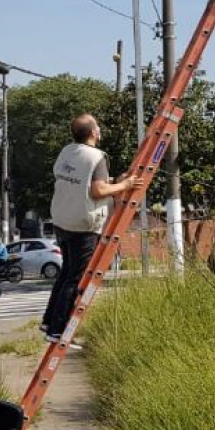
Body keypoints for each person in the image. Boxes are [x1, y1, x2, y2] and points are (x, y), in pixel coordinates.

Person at [42, 114, 143, 343]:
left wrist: (116, 182)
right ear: (93, 133)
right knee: (75, 278)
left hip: (62, 219)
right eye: (97, 126)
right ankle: (58, 329)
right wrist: (125, 185)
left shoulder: (67, 152)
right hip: (83, 225)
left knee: (66, 272)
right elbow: (97, 191)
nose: (100, 128)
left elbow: (86, 184)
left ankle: (49, 320)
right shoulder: (96, 157)